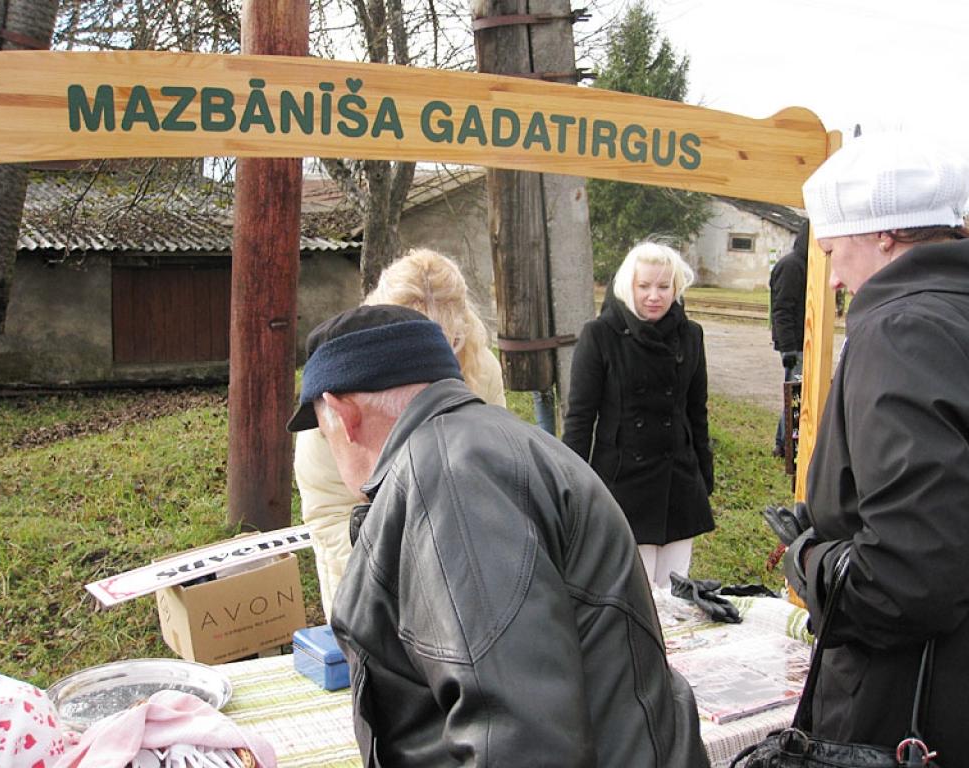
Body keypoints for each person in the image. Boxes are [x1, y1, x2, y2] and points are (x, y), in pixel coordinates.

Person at [285, 304, 708, 767]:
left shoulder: (452, 475)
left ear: (344, 417)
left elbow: (518, 740)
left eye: (324, 433)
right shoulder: (485, 447)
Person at [783, 133, 969, 766]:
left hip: (921, 712)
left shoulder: (903, 330)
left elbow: (913, 581)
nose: (832, 277)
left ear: (882, 234)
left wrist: (811, 560)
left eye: (832, 250)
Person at [293, 248, 505, 618]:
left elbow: (495, 465)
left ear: (462, 329)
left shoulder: (482, 368)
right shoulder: (338, 379)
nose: (431, 366)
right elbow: (328, 510)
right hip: (364, 555)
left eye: (447, 345)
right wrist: (385, 584)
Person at [562, 240, 714, 586]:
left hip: (678, 482)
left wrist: (704, 474)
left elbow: (696, 411)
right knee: (635, 595)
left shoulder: (691, 335)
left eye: (663, 286)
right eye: (643, 286)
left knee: (676, 594)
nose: (654, 296)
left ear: (676, 287)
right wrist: (570, 485)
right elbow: (580, 419)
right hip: (623, 483)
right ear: (627, 286)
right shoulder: (600, 335)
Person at [769, 220, 809, 457]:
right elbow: (782, 309)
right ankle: (785, 445)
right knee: (796, 392)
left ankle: (782, 442)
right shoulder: (793, 266)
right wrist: (789, 349)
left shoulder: (804, 264)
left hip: (803, 340)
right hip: (794, 343)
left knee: (796, 390)